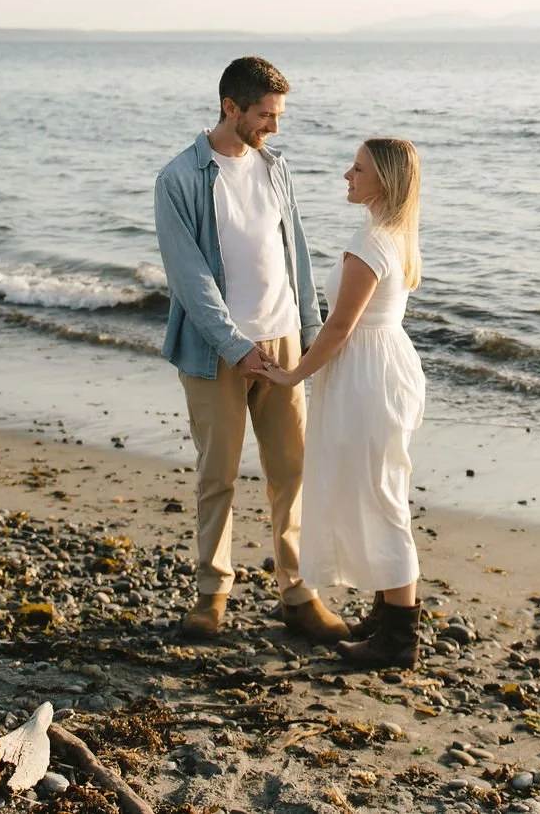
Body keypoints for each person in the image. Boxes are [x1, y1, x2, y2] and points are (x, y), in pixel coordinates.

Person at [151, 56, 349, 643]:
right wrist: (235, 346)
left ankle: (299, 592)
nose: (274, 127)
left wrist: (311, 334)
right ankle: (211, 593)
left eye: (278, 114)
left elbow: (298, 256)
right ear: (230, 108)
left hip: (283, 339)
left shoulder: (275, 168)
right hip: (217, 350)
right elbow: (189, 279)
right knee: (219, 475)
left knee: (292, 472)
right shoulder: (179, 180)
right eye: (265, 115)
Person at [245, 137, 427, 669]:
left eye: (358, 168)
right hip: (382, 367)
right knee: (379, 488)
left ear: (384, 181)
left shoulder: (372, 242)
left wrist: (292, 374)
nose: (347, 175)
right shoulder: (394, 234)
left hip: (369, 374)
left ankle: (399, 639)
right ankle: (388, 610)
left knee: (382, 497)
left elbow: (340, 326)